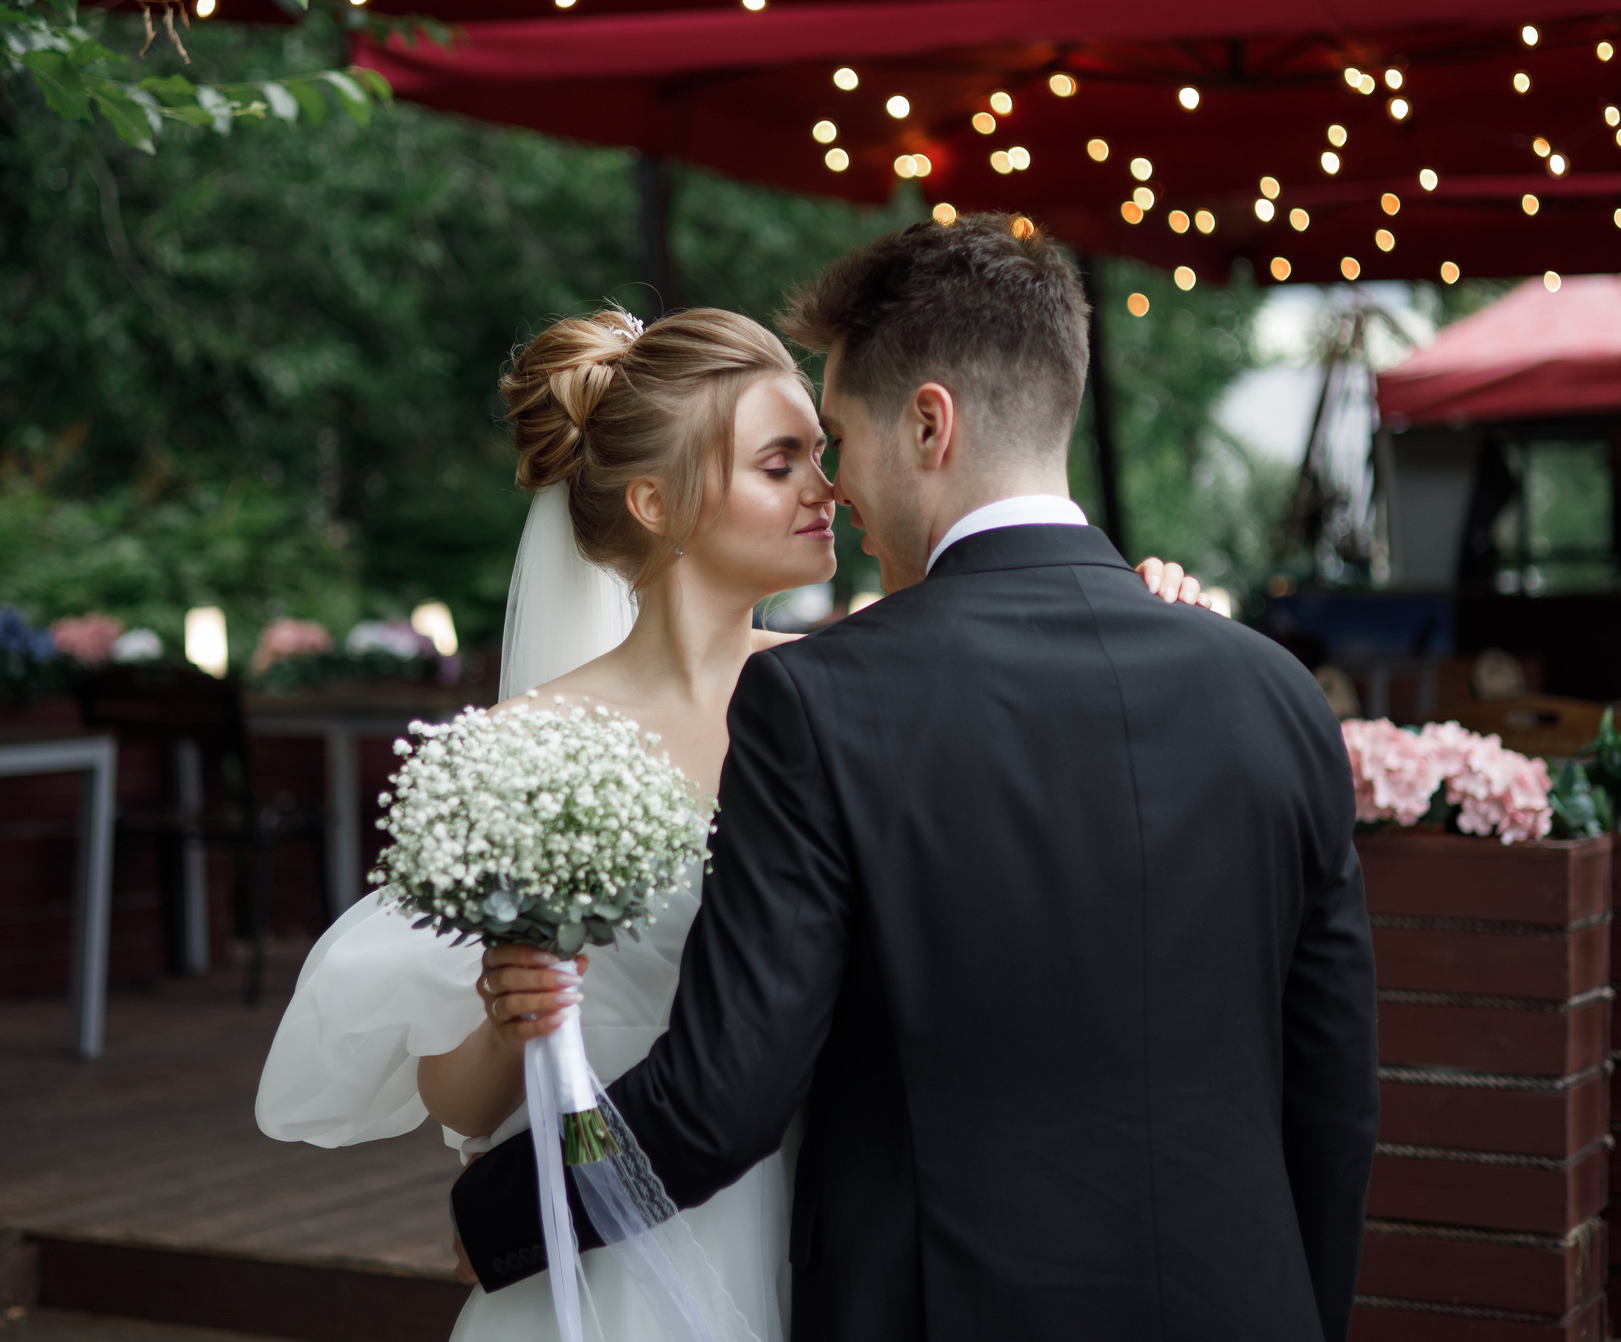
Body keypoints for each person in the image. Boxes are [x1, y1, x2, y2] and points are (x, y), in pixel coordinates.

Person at [448, 216, 1379, 1341]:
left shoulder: (818, 702)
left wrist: (498, 1213)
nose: (835, 485)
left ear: (929, 424)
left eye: (837, 437)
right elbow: (1335, 1100)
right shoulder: (1277, 693)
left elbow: (718, 1101)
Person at [254, 290, 1216, 1342]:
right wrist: (506, 1020)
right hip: (610, 1249)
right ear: (657, 503)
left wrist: (1135, 623)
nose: (828, 487)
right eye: (779, 463)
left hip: (828, 1230)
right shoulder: (520, 747)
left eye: (820, 454)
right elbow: (463, 1106)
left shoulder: (860, 694)